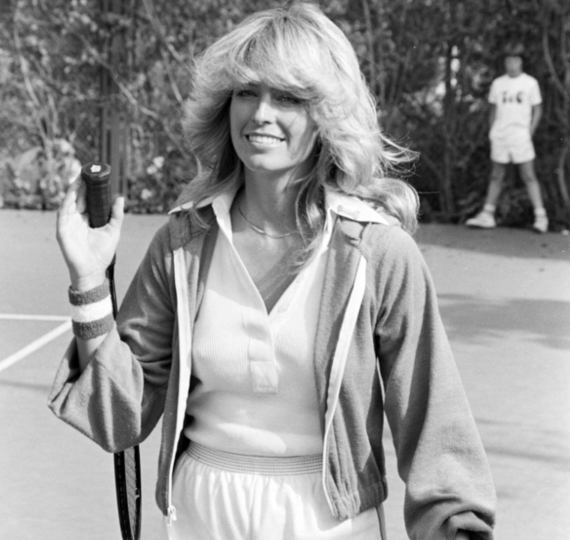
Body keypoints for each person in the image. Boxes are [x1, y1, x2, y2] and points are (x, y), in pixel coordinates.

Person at [50, 3, 496, 539]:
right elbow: (118, 417)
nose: (261, 113)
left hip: (330, 520)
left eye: (287, 97)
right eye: (247, 92)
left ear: (326, 114)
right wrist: (89, 281)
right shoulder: (183, 243)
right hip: (199, 515)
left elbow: (432, 415)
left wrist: (457, 525)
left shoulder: (378, 252)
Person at [465, 42, 548, 233]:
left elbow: (538, 109)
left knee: (528, 175)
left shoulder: (530, 83)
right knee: (497, 174)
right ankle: (487, 215)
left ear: (521, 62)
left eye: (515, 60)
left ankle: (541, 217)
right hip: (501, 135)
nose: (511, 64)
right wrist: (492, 132)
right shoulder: (498, 84)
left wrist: (529, 131)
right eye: (508, 60)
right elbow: (493, 110)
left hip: (520, 135)